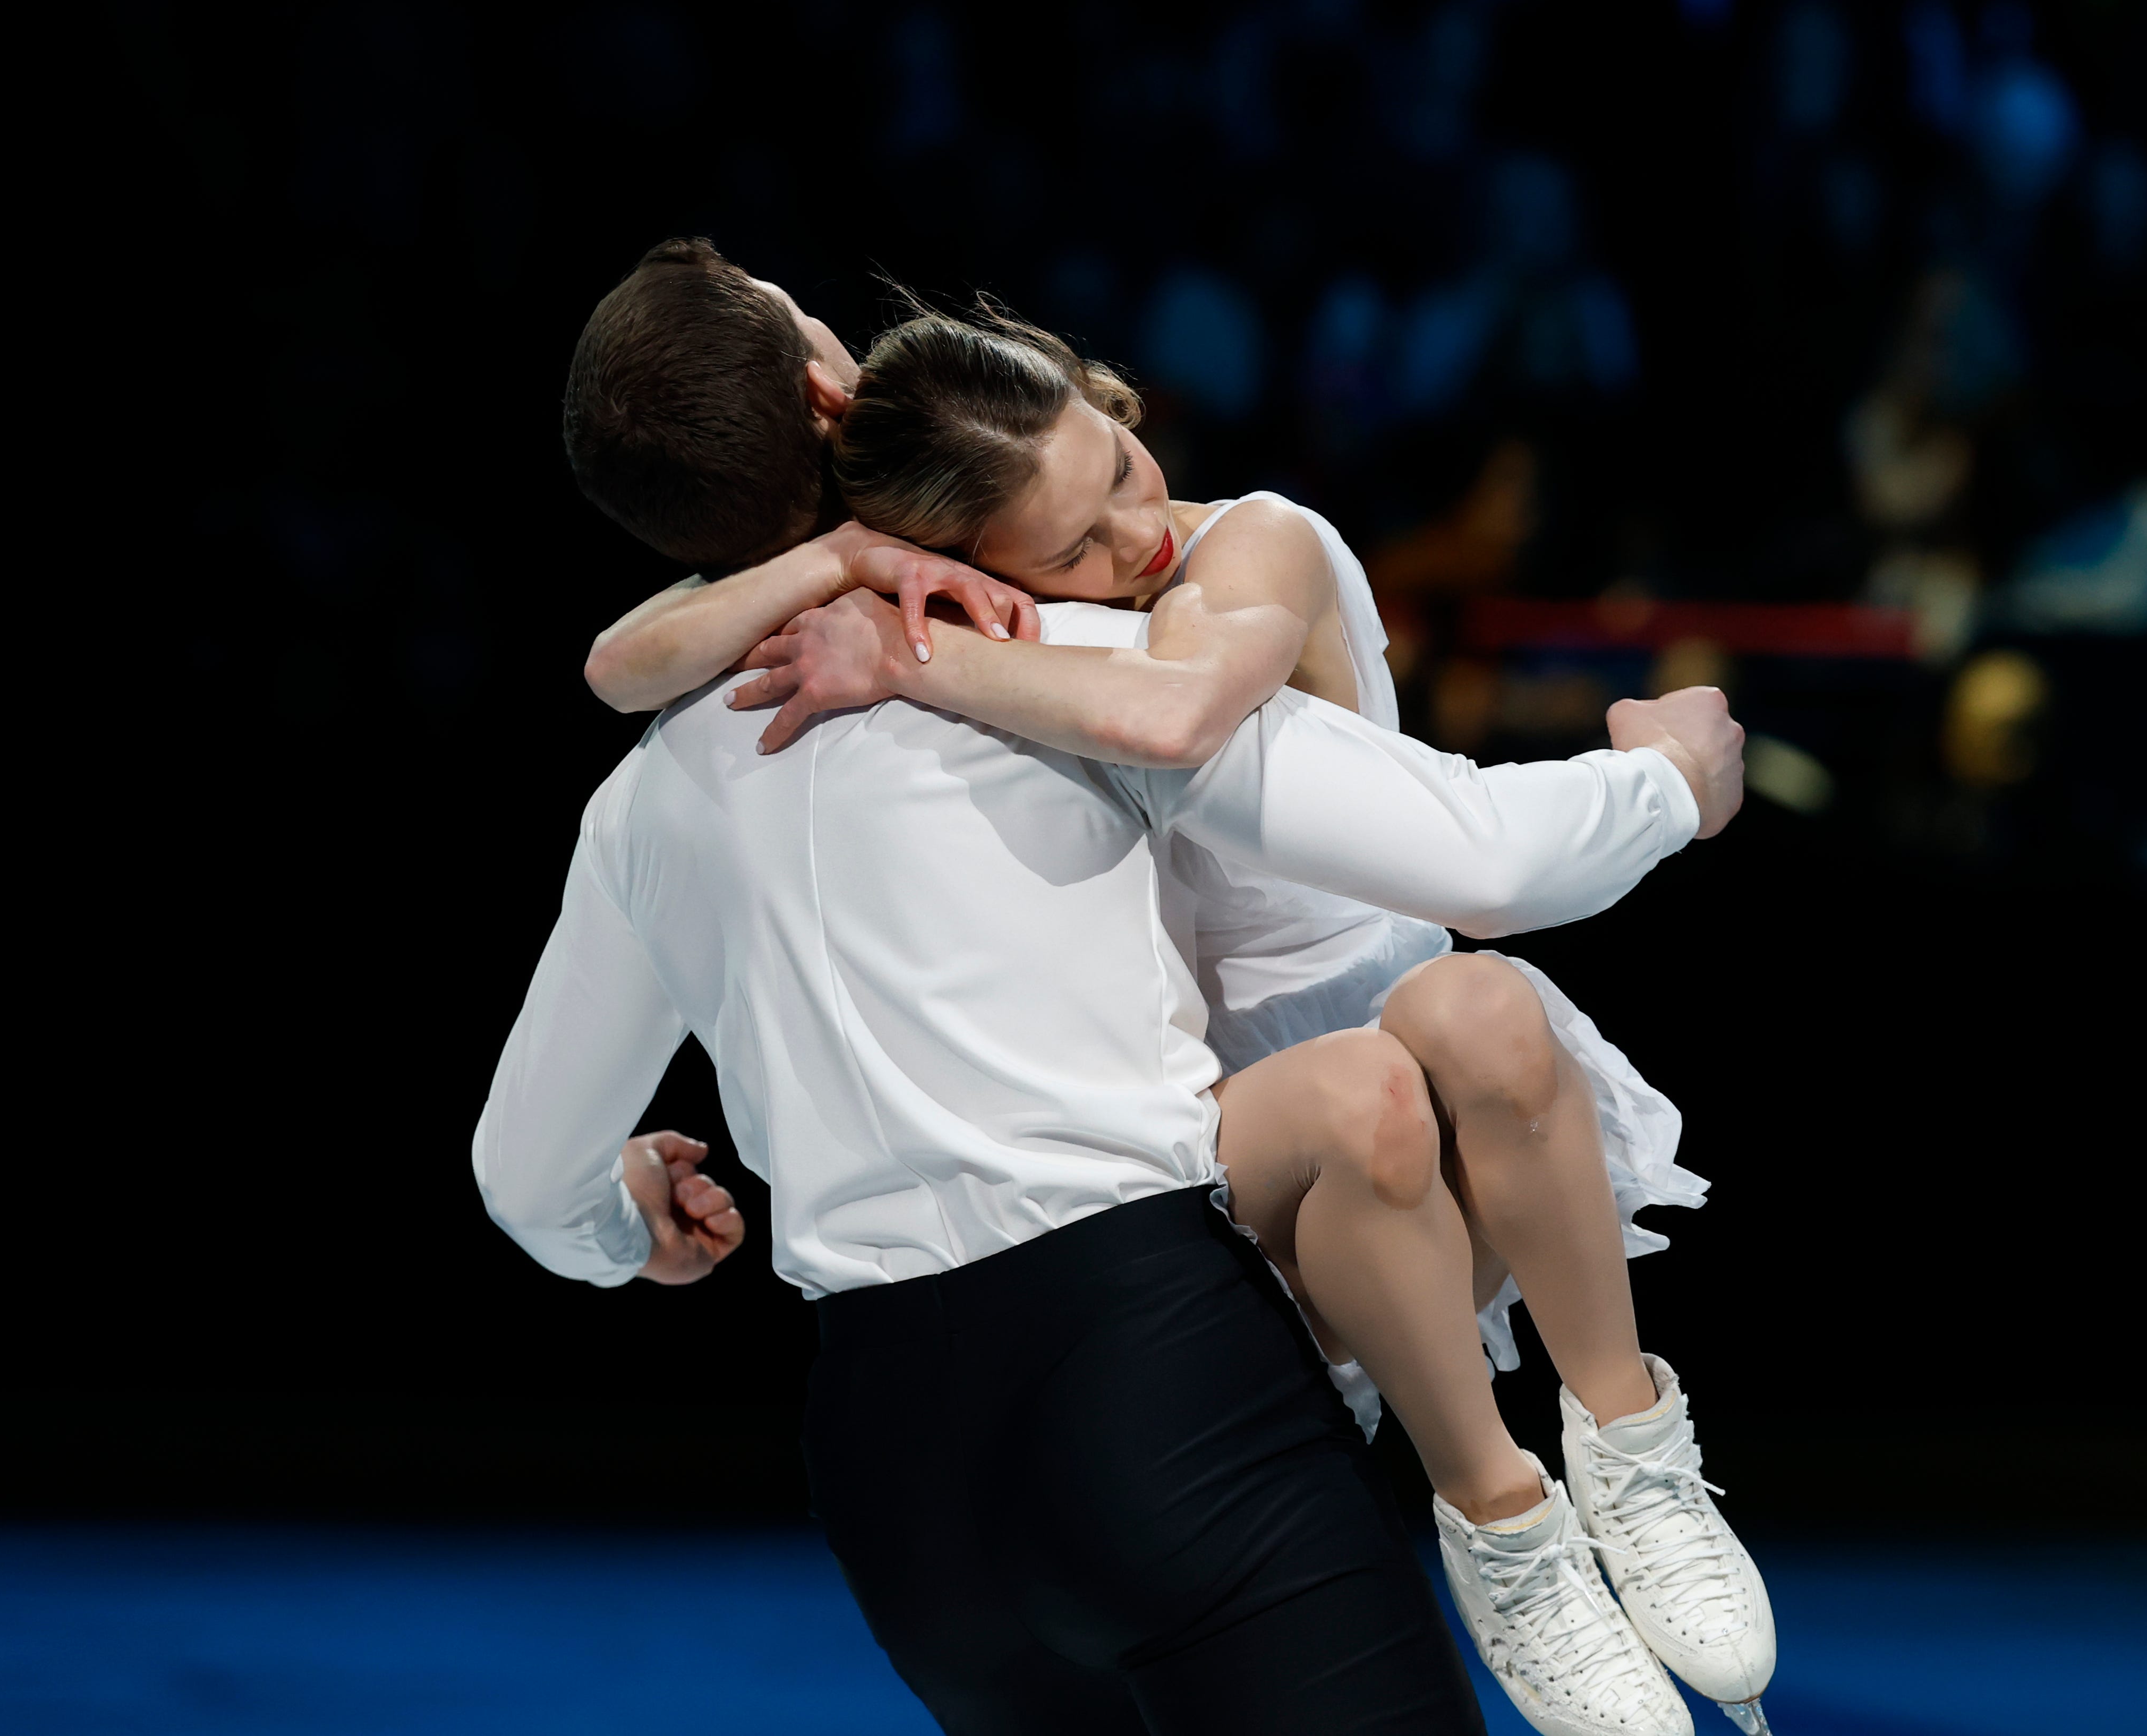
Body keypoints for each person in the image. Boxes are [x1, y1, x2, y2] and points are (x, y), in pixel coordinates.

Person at [480, 256, 1747, 1733]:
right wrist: (1674, 780)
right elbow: (1481, 853)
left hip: (896, 1481)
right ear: (833, 391)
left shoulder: (643, 801)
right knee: (1411, 1066)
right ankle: (1524, 1498)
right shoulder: (1060, 660)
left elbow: (524, 1176)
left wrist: (622, 1224)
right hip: (1148, 1371)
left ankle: (1550, 1484)